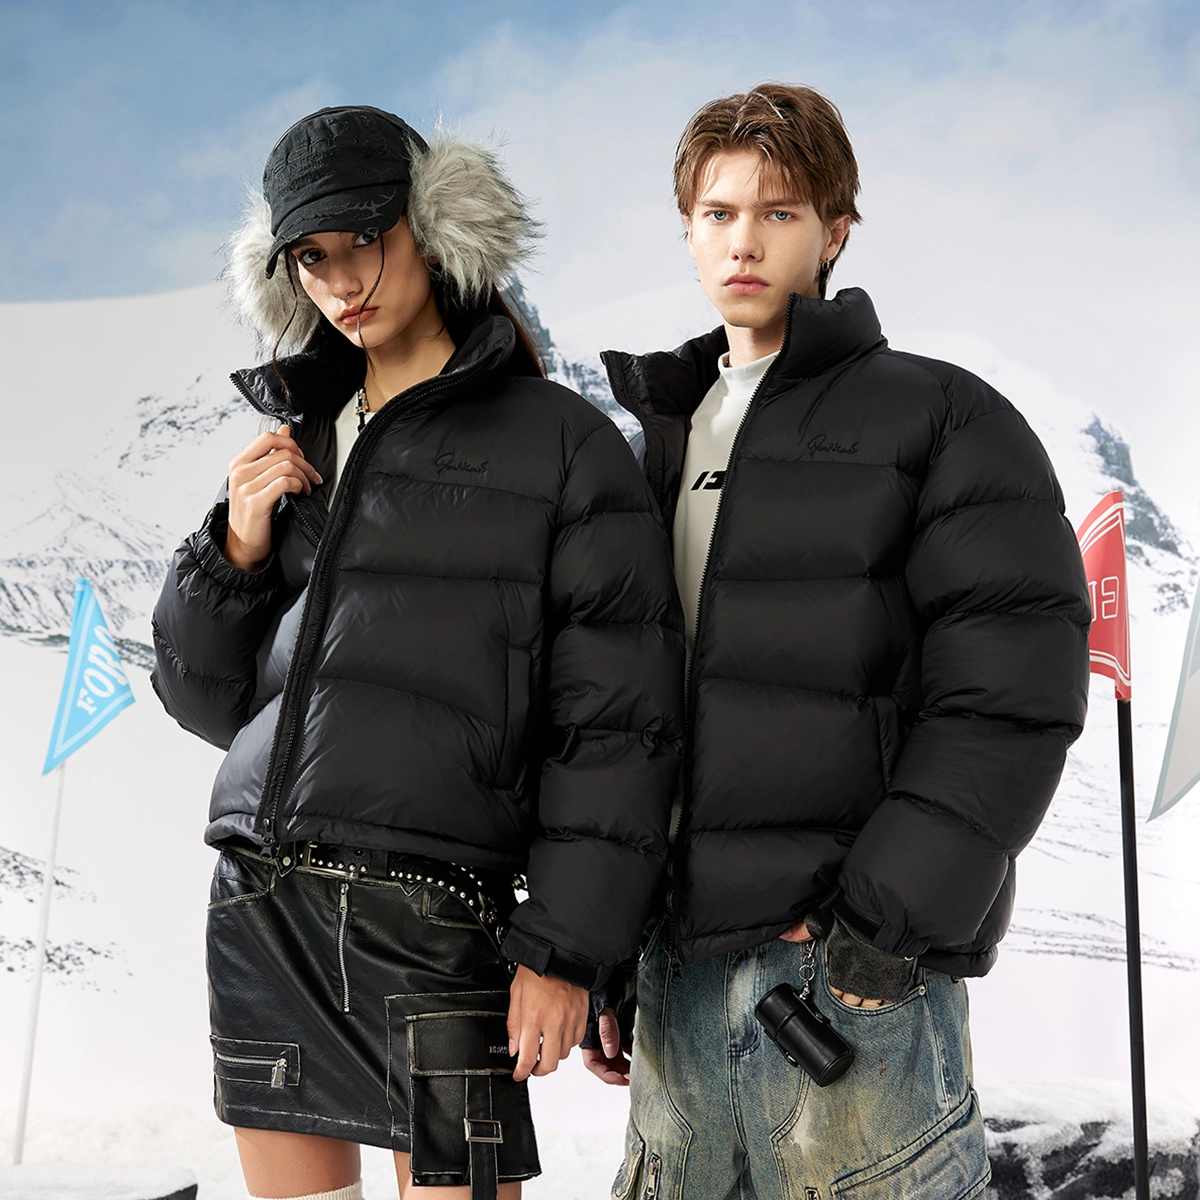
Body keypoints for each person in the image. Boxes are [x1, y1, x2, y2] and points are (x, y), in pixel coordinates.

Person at [151, 105, 683, 1200]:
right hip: (264, 909)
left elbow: (617, 725)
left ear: (433, 226)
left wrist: (565, 949)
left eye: (365, 239)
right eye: (312, 258)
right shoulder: (299, 441)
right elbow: (208, 702)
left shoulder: (562, 444)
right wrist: (234, 547)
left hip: (440, 926)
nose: (343, 281)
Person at [582, 84, 1091, 1199]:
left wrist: (885, 925)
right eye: (718, 214)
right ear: (687, 232)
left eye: (779, 212)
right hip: (675, 979)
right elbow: (615, 710)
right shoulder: (647, 444)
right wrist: (604, 943)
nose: (745, 241)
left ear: (836, 231)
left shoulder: (943, 420)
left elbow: (1010, 690)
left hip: (850, 981)